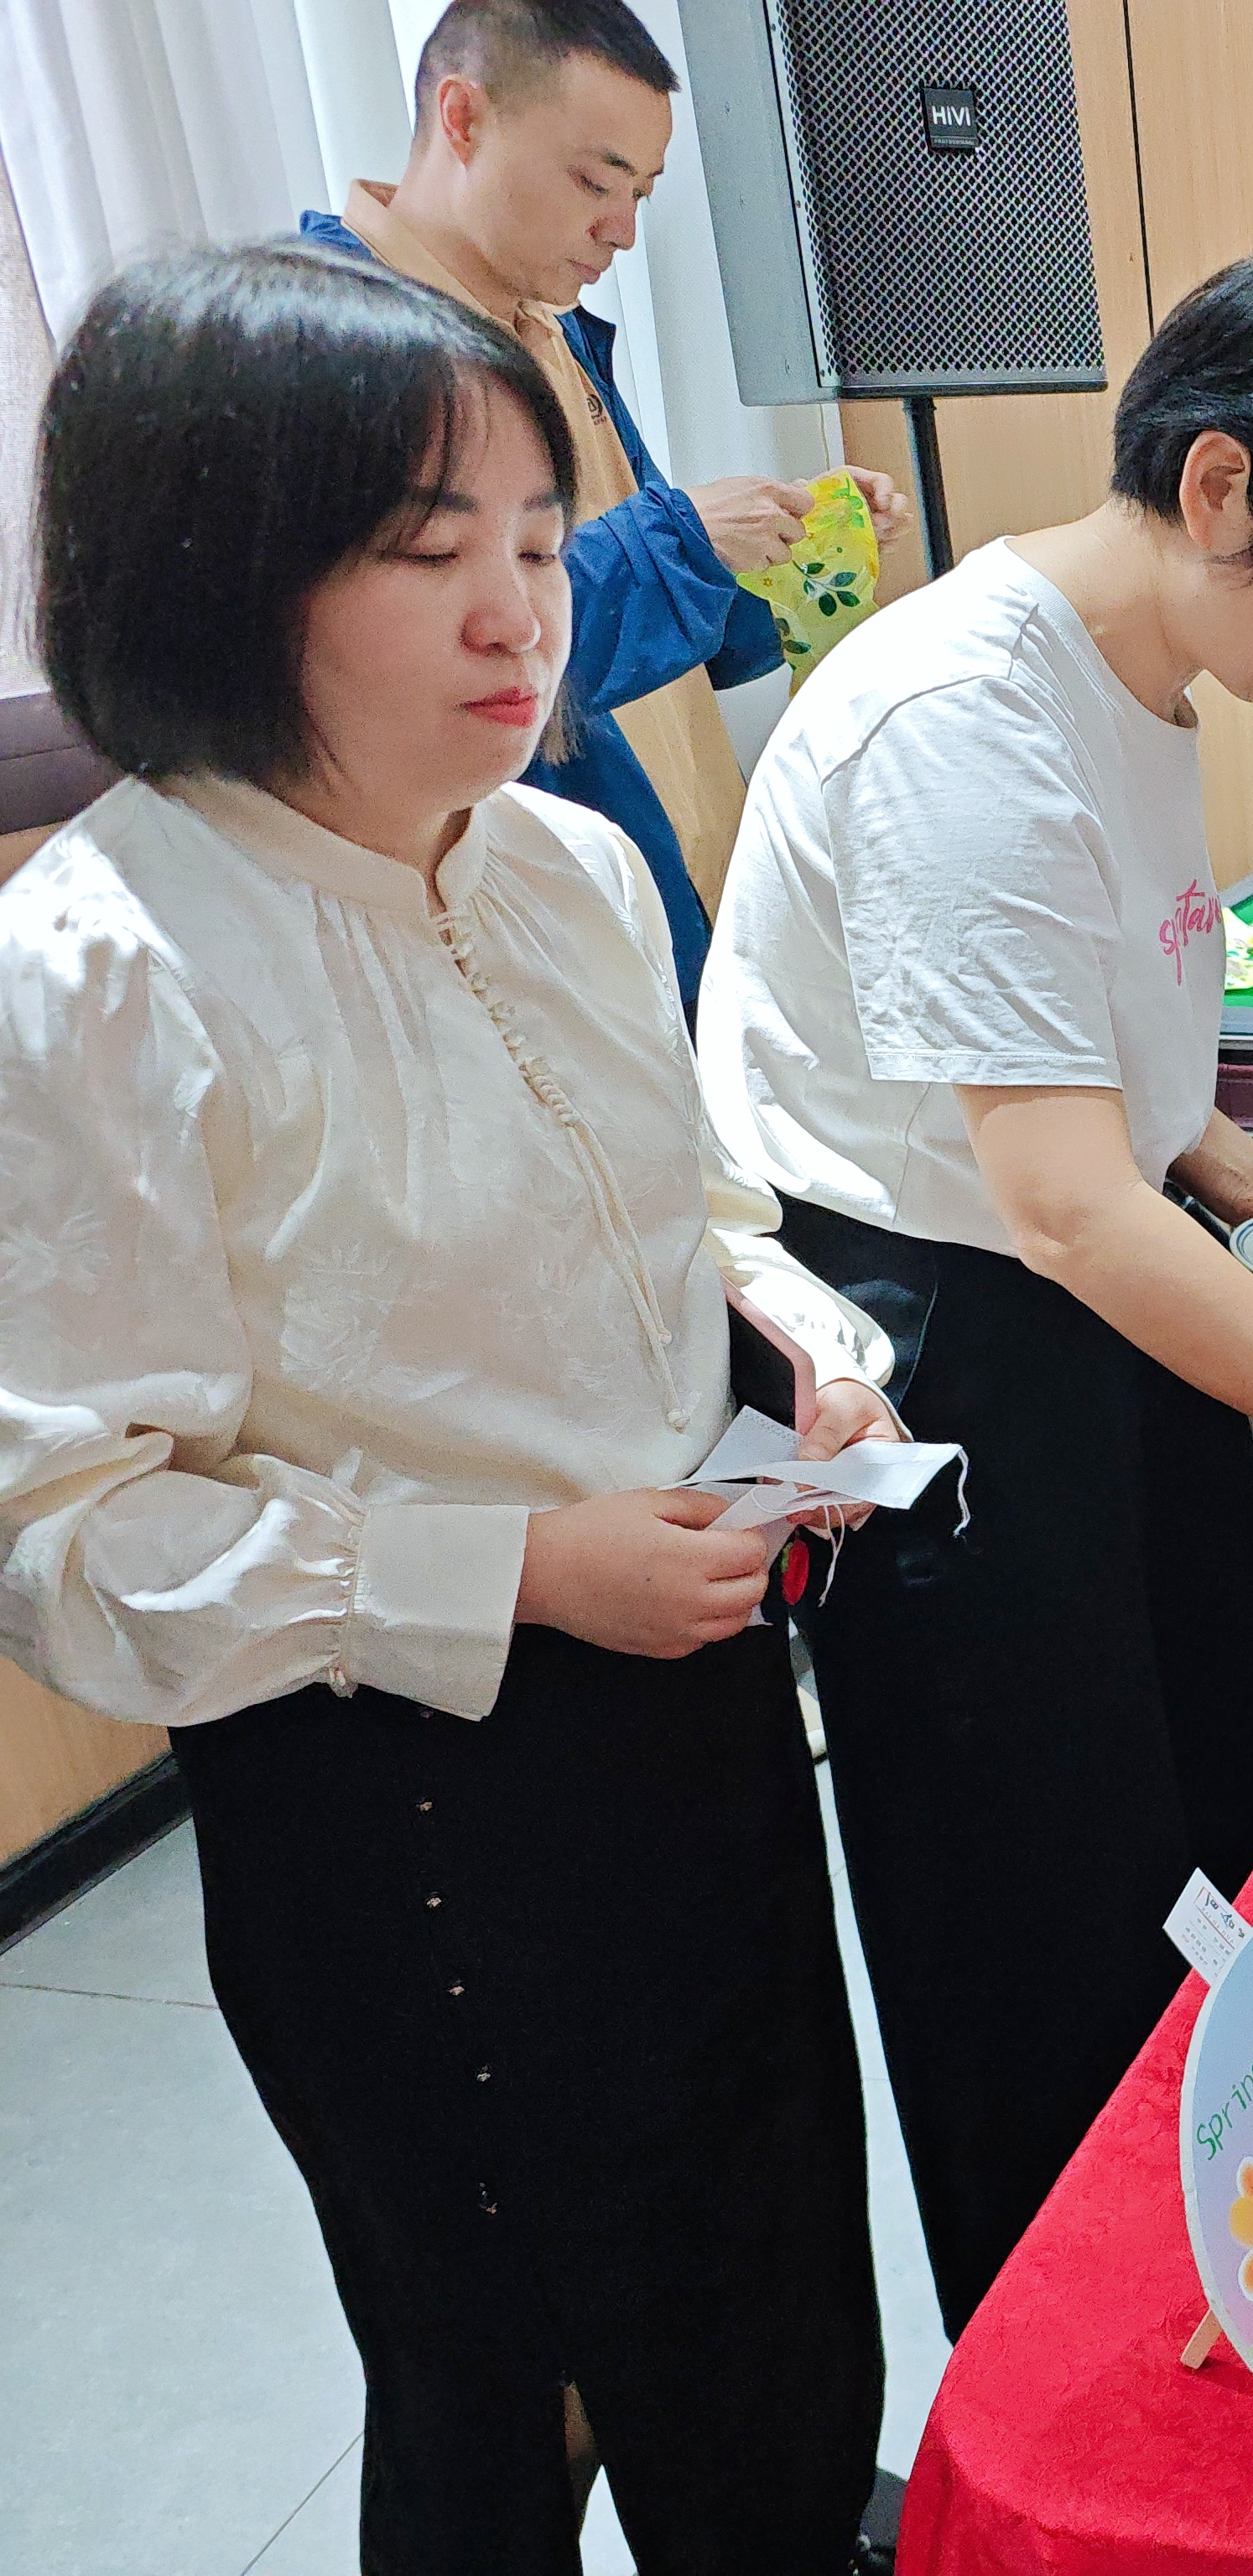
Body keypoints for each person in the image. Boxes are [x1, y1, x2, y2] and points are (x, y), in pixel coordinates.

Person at [0, 246, 897, 2573]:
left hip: (684, 1690)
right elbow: (64, 1544)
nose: (526, 616)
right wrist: (514, 1568)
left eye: (534, 540)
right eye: (430, 557)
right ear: (214, 567)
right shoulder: (103, 966)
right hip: (395, 1794)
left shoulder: (575, 860)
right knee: (512, 2368)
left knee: (773, 2279)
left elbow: (677, 1196)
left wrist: (780, 1314)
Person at [697, 245, 1253, 2334]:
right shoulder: (958, 723)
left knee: (1243, 1789)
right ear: (1212, 487)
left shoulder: (1140, 678)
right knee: (1040, 1915)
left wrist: (1223, 1147)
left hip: (1078, 1284)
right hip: (939, 1352)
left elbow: (1083, 1086)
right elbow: (1055, 1206)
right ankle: (1063, 2381)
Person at [304, 0, 911, 1010]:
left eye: (642, 193)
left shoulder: (549, 332)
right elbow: (423, 665)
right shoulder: (336, 346)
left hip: (669, 885)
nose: (620, 232)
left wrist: (782, 546)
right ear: (462, 119)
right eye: (593, 182)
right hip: (515, 933)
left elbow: (635, 637)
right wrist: (679, 542)